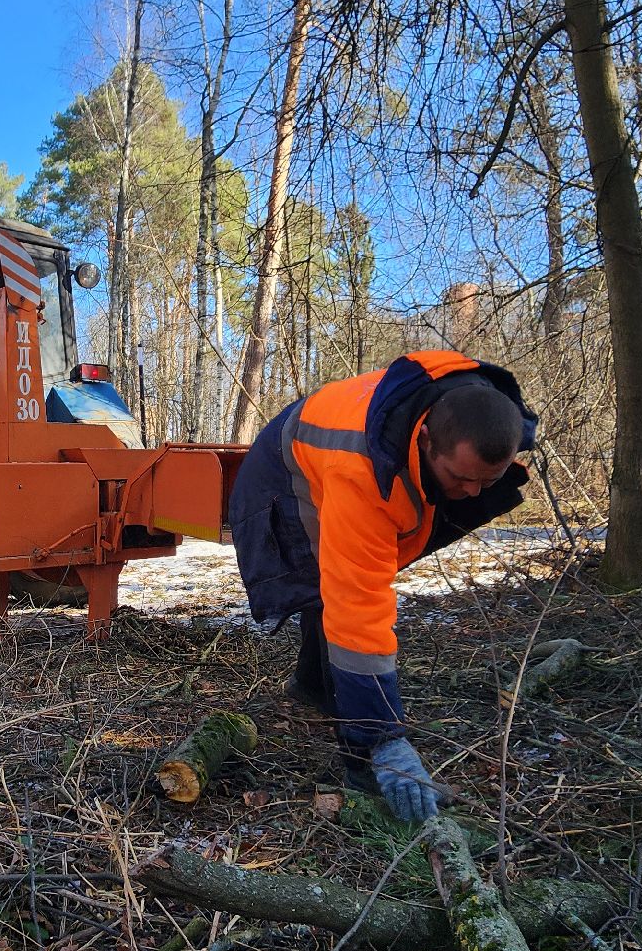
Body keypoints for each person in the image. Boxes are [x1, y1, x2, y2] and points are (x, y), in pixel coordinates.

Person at [229, 351, 537, 824]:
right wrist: (384, 739)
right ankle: (360, 763)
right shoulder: (362, 475)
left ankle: (314, 687)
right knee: (325, 590)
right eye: (461, 478)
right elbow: (357, 605)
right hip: (285, 471)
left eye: (488, 481)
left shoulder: (478, 408)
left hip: (347, 454)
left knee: (336, 593)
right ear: (426, 438)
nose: (474, 493)